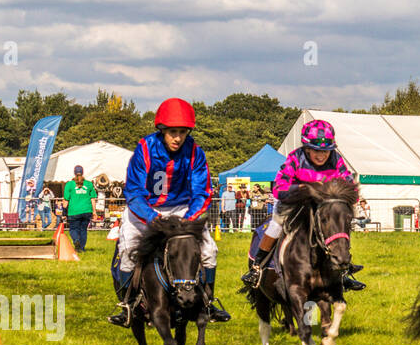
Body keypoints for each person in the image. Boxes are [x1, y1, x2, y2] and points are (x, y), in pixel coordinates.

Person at [108, 98, 231, 325]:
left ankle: (208, 302)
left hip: (182, 210)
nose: (177, 138)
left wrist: (187, 220)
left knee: (209, 251)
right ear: (161, 130)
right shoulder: (144, 149)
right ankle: (127, 306)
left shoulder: (195, 152)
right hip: (145, 210)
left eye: (182, 132)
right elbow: (134, 192)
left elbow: (202, 193)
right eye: (172, 132)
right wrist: (154, 219)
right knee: (127, 251)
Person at [243, 119, 365, 291]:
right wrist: (300, 188)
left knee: (338, 226)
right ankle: (257, 267)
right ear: (307, 148)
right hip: (292, 199)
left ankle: (344, 271)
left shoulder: (336, 159)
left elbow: (348, 182)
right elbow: (279, 187)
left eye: (326, 151)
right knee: (276, 224)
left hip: (322, 202)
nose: (322, 155)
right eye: (317, 151)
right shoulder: (295, 158)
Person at [63, 166, 95, 252]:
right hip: (87, 210)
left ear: (74, 173)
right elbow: (93, 199)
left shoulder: (69, 184)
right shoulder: (89, 184)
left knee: (73, 229)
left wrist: (64, 213)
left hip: (74, 211)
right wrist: (94, 212)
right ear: (83, 172)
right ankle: (82, 248)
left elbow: (66, 200)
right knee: (83, 230)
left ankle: (76, 241)